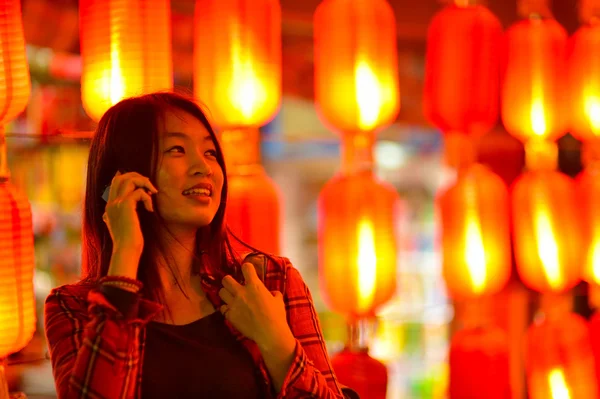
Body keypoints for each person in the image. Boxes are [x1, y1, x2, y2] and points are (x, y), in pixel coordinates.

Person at [44, 92, 356, 398]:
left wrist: (276, 342)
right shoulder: (75, 308)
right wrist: (125, 252)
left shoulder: (270, 281)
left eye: (210, 153)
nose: (204, 168)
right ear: (122, 179)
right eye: (177, 149)